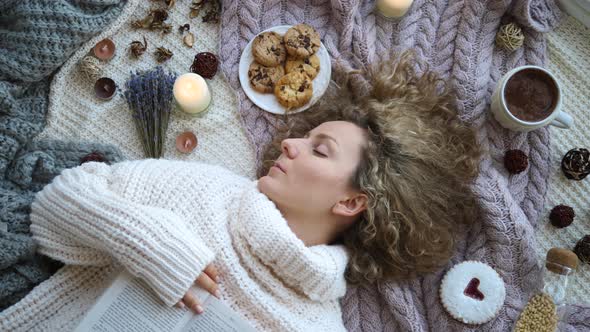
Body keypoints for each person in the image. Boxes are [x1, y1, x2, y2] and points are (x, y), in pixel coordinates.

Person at [0, 51, 480, 331]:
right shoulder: (210, 192)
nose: (290, 143)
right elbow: (55, 204)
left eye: (319, 149)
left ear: (352, 201)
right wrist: (152, 245)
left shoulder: (316, 326)